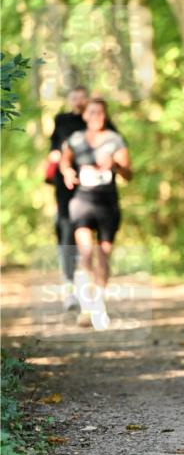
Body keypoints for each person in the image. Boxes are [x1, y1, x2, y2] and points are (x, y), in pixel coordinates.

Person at [59, 96, 132, 330]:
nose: (95, 117)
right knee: (86, 253)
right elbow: (64, 161)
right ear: (84, 115)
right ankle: (89, 306)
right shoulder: (76, 138)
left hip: (107, 202)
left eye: (99, 113)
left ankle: (99, 301)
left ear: (105, 116)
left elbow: (129, 174)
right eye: (91, 113)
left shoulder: (114, 140)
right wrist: (68, 172)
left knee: (103, 255)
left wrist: (116, 165)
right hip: (82, 201)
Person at [46, 85, 89, 310]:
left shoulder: (96, 119)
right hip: (65, 186)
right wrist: (56, 157)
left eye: (81, 98)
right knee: (66, 232)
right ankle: (69, 290)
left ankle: (93, 289)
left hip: (92, 187)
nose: (77, 101)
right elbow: (54, 148)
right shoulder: (61, 120)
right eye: (74, 97)